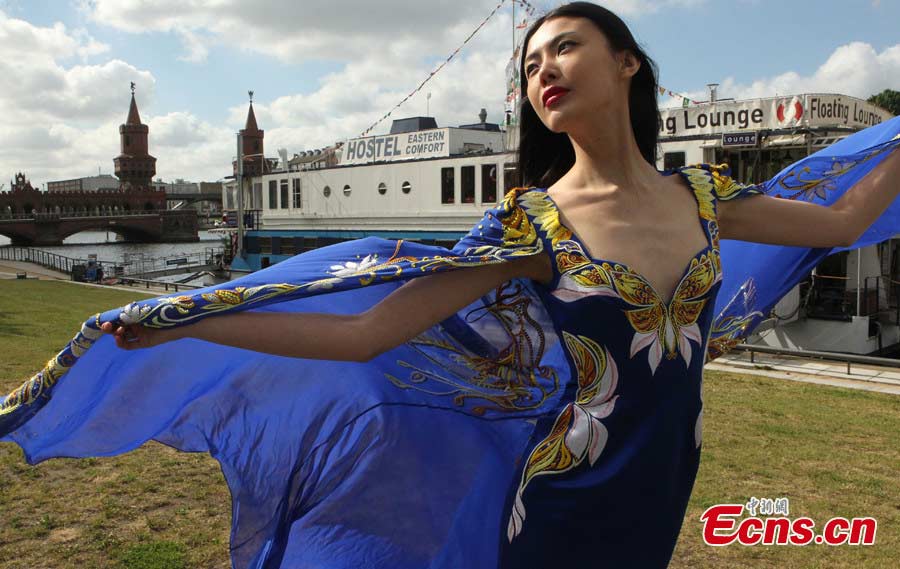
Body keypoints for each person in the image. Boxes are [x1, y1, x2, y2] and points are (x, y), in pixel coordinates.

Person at [2, 3, 899, 568]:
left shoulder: (706, 198)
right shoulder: (531, 223)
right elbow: (364, 333)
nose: (542, 70)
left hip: (662, 484)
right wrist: (189, 324)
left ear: (628, 63)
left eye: (565, 48)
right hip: (562, 494)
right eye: (530, 65)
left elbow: (843, 221)